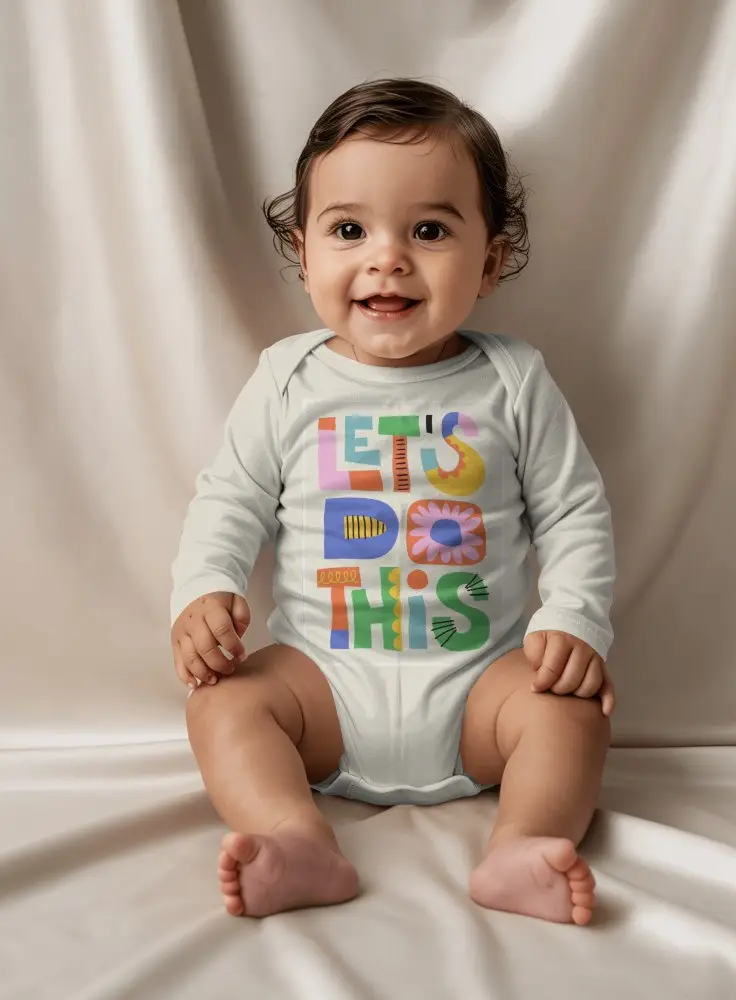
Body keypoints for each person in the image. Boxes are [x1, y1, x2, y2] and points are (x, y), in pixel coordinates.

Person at [170, 78, 615, 925]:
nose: (388, 258)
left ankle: (522, 841)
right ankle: (292, 834)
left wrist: (577, 622)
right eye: (349, 230)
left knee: (571, 711)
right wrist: (202, 592)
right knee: (223, 702)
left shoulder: (512, 379)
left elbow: (574, 512)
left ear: (490, 259)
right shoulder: (287, 378)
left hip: (482, 688)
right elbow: (228, 499)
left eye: (430, 230)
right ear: (304, 254)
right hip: (323, 696)